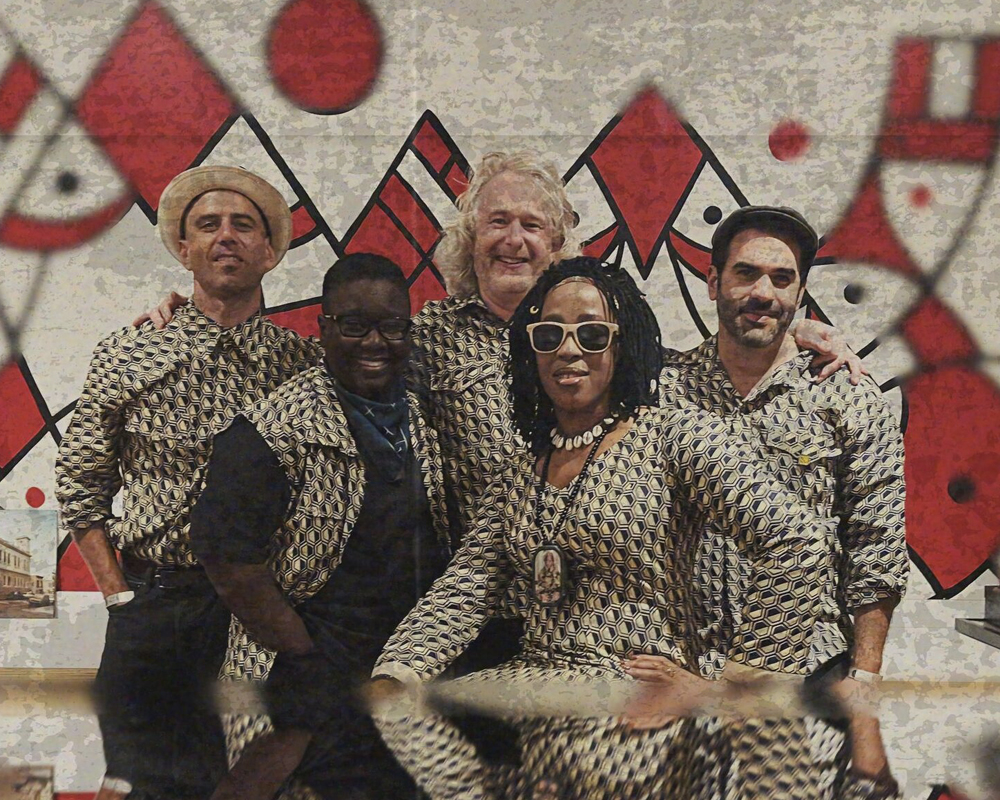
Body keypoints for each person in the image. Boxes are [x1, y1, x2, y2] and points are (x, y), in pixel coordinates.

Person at [369, 256, 843, 800]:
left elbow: (796, 538)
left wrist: (732, 687)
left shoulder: (671, 435)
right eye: (550, 335)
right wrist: (398, 672)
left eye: (593, 334)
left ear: (624, 347)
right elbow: (464, 588)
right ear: (531, 349)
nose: (569, 350)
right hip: (536, 688)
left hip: (633, 698)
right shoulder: (523, 471)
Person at [55, 166, 320, 800]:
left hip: (264, 612)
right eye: (208, 225)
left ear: (269, 250)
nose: (225, 237)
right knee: (147, 784)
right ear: (183, 247)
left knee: (256, 785)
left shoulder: (304, 366)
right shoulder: (130, 351)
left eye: (243, 225)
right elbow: (79, 480)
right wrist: (122, 600)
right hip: (157, 606)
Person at [635, 206, 908, 798]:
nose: (763, 292)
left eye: (782, 279)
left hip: (803, 683)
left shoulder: (850, 402)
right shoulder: (657, 395)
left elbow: (876, 557)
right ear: (713, 283)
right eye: (746, 274)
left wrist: (864, 704)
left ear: (802, 292)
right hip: (680, 675)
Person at [187, 253, 452, 800]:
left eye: (392, 327)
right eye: (354, 327)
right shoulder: (271, 432)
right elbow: (228, 561)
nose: (375, 343)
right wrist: (303, 655)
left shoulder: (424, 409)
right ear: (324, 328)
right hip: (302, 665)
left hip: (399, 662)